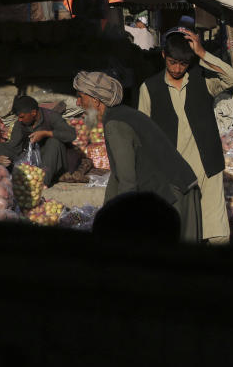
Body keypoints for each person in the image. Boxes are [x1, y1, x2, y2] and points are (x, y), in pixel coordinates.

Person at [73, 70, 202, 242]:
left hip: (173, 195)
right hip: (174, 191)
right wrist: (105, 213)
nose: (78, 102)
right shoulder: (122, 115)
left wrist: (117, 224)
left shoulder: (116, 125)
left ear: (96, 101)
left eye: (81, 97)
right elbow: (117, 176)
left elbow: (127, 182)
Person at [137, 28, 233, 244]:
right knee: (182, 230)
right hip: (173, 170)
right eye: (172, 62)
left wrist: (202, 53)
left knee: (217, 232)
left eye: (183, 64)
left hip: (206, 165)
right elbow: (143, 132)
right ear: (163, 55)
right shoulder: (149, 88)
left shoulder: (202, 80)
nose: (177, 68)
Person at [0, 95, 77, 187]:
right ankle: (20, 175)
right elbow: (14, 146)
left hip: (56, 162)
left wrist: (46, 133)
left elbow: (71, 135)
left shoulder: (51, 116)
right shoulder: (20, 124)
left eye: (22, 117)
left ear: (33, 113)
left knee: (53, 142)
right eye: (19, 117)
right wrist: (2, 156)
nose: (19, 120)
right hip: (35, 162)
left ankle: (43, 182)